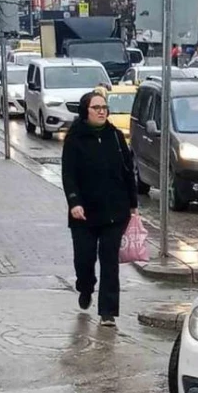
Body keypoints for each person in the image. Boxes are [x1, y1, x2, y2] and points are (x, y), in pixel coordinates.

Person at [62, 91, 139, 327]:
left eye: (104, 107)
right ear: (85, 111)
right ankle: (85, 287)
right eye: (96, 107)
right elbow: (69, 174)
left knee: (109, 262)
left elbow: (128, 171)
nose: (101, 111)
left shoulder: (115, 136)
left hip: (114, 212)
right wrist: (74, 202)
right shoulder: (75, 138)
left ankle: (108, 312)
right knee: (84, 260)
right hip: (83, 214)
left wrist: (133, 204)